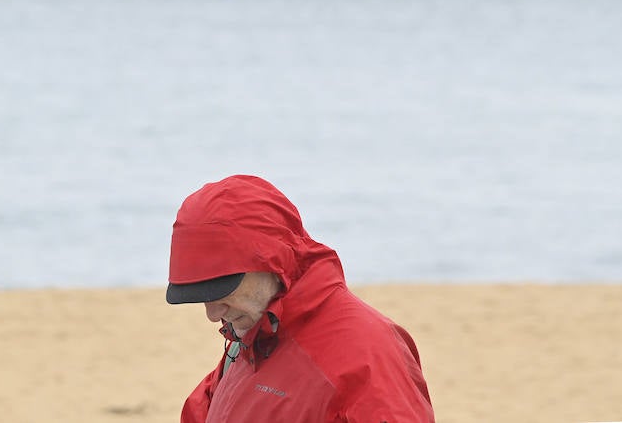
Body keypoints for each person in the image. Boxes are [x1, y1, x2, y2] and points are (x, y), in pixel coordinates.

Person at [166, 174, 436, 422]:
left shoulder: (367, 353)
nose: (212, 313)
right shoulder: (248, 340)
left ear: (275, 260)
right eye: (201, 295)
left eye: (221, 290)